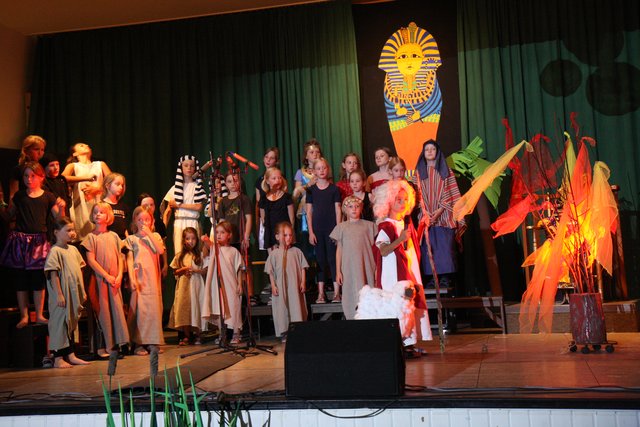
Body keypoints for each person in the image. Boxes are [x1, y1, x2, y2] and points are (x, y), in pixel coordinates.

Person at [0, 162, 64, 328]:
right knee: (21, 280)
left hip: (39, 242)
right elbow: (8, 216)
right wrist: (1, 204)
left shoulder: (48, 196)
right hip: (21, 241)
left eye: (33, 176)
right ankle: (24, 316)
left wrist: (62, 208)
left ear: (41, 177)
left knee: (37, 280)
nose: (29, 179)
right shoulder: (20, 196)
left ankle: (40, 315)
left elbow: (58, 219)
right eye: (26, 176)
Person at [372, 179, 432, 355]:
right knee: (398, 305)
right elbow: (383, 251)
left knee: (410, 304)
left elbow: (410, 248)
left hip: (408, 271)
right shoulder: (386, 226)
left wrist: (418, 229)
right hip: (393, 275)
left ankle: (409, 343)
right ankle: (400, 343)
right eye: (398, 199)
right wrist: (400, 240)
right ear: (389, 201)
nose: (403, 203)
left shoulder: (405, 224)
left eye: (405, 199)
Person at [415, 140, 466, 288]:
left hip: (444, 216)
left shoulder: (446, 171)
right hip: (426, 218)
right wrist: (426, 213)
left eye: (432, 149)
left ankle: (445, 277)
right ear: (423, 154)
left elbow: (451, 193)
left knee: (444, 247)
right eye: (427, 150)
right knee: (429, 248)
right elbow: (416, 195)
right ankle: (432, 278)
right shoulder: (418, 174)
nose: (430, 152)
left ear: (437, 152)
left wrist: (439, 211)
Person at [81, 202, 129, 358]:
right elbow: (91, 261)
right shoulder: (90, 237)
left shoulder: (114, 236)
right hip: (100, 281)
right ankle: (104, 347)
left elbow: (121, 258)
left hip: (114, 281)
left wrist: (120, 275)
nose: (98, 214)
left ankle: (117, 344)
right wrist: (106, 276)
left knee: (116, 310)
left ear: (108, 216)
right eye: (95, 212)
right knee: (103, 312)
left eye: (101, 212)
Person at [45, 217, 90, 368]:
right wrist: (59, 293)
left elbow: (80, 271)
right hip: (62, 295)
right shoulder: (55, 251)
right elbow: (53, 273)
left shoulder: (74, 250)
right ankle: (58, 358)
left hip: (73, 294)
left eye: (73, 230)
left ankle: (71, 354)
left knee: (72, 323)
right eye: (68, 230)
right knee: (60, 323)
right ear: (57, 232)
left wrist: (82, 290)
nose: (72, 233)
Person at [125, 206, 166, 356]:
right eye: (140, 219)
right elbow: (129, 260)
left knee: (153, 310)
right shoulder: (131, 239)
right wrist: (131, 278)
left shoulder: (155, 236)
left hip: (152, 280)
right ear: (135, 221)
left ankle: (152, 341)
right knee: (140, 311)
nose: (143, 222)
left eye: (147, 220)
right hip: (139, 278)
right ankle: (138, 343)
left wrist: (149, 233)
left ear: (152, 221)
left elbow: (160, 250)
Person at [329, 196, 376, 319]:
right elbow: (339, 250)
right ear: (345, 209)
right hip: (348, 266)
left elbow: (375, 248)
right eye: (350, 207)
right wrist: (338, 271)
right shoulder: (341, 227)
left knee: (368, 289)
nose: (354, 209)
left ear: (361, 208)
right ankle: (351, 317)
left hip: (366, 265)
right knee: (350, 289)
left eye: (357, 206)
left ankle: (369, 316)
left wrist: (376, 268)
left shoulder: (369, 226)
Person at [305, 157, 342, 303]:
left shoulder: (334, 189)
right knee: (320, 260)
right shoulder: (311, 190)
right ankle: (321, 294)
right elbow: (308, 213)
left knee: (333, 259)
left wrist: (338, 231)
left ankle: (336, 293)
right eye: (318, 168)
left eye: (324, 168)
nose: (321, 171)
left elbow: (338, 210)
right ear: (314, 171)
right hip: (318, 230)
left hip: (331, 229)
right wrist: (311, 232)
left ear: (328, 170)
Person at [265, 222, 309, 342]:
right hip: (281, 286)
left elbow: (302, 267)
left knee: (296, 306)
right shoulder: (274, 254)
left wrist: (303, 282)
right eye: (285, 235)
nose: (288, 238)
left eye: (290, 235)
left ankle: (298, 329)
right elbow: (270, 271)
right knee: (282, 307)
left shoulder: (296, 252)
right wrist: (273, 285)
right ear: (277, 237)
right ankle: (284, 332)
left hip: (294, 287)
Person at [202, 221, 243, 345]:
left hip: (231, 284)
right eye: (217, 233)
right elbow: (210, 246)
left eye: (222, 232)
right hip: (219, 286)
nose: (219, 235)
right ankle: (223, 334)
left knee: (233, 307)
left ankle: (236, 333)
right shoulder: (216, 249)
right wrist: (206, 240)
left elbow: (239, 268)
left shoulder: (233, 251)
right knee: (221, 308)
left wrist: (240, 284)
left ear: (229, 235)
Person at [62, 142, 112, 241]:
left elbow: (112, 181)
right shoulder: (73, 166)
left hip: (98, 203)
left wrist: (98, 189)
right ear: (75, 154)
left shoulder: (100, 164)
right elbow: (62, 178)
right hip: (80, 206)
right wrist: (86, 178)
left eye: (87, 145)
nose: (86, 146)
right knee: (83, 236)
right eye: (81, 145)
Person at [168, 227, 207, 346]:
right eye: (188, 239)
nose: (191, 241)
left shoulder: (200, 254)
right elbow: (175, 271)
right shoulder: (180, 256)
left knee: (196, 307)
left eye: (193, 238)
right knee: (184, 308)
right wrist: (184, 269)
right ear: (184, 240)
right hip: (184, 285)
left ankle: (198, 334)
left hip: (196, 284)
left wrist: (195, 270)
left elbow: (205, 270)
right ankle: (186, 335)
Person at [163, 155, 207, 256]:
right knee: (179, 253)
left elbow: (198, 207)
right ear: (181, 168)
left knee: (194, 253)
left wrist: (179, 205)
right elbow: (168, 210)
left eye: (192, 166)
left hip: (192, 222)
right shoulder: (176, 187)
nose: (189, 168)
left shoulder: (197, 187)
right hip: (179, 223)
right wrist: (163, 229)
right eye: (186, 165)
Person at [292, 139, 322, 255]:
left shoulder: (323, 170)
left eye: (317, 152)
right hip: (306, 211)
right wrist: (308, 185)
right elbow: (296, 193)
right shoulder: (301, 172)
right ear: (306, 156)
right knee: (306, 241)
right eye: (311, 152)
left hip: (320, 208)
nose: (315, 154)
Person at [259, 167, 295, 250]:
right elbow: (263, 219)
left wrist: (289, 235)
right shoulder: (263, 199)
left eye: (279, 178)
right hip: (270, 234)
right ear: (267, 181)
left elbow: (292, 219)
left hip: (284, 235)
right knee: (273, 259)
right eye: (274, 178)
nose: (277, 180)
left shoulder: (287, 197)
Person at [217, 172, 252, 252]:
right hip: (227, 240)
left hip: (240, 239)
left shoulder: (244, 199)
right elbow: (221, 221)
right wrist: (220, 238)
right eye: (229, 181)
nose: (233, 184)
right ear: (225, 184)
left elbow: (249, 219)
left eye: (235, 181)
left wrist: (246, 237)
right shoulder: (223, 201)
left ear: (240, 182)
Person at [255, 147, 280, 251]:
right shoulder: (259, 179)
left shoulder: (279, 177)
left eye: (272, 158)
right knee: (269, 247)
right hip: (265, 217)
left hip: (277, 215)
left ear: (276, 161)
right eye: (266, 157)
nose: (268, 160)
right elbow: (258, 200)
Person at [9, 135, 46, 203]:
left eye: (42, 150)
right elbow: (13, 194)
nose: (40, 153)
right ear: (26, 151)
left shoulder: (42, 168)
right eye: (36, 149)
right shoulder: (19, 169)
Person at [39, 152, 71, 217]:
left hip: (65, 213)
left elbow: (67, 197)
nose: (56, 168)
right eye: (51, 165)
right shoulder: (43, 181)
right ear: (44, 167)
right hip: (51, 215)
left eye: (57, 164)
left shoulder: (61, 179)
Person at [102, 173, 129, 240]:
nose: (121, 187)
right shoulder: (101, 205)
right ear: (107, 185)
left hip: (122, 240)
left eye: (122, 185)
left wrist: (127, 239)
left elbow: (124, 227)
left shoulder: (122, 206)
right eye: (117, 184)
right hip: (108, 240)